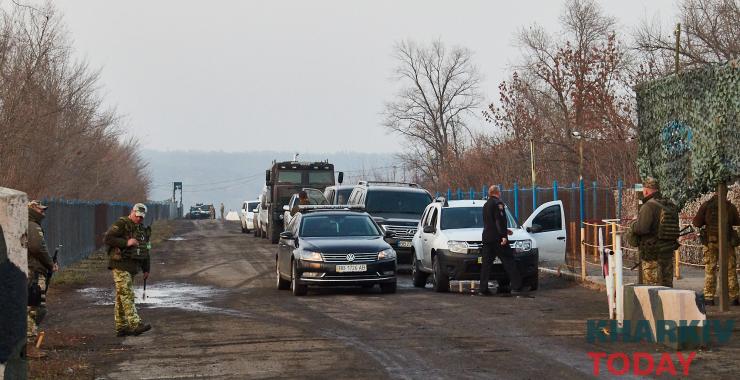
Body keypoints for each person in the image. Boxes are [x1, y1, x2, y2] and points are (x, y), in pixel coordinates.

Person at [105, 203, 152, 337]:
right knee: (127, 294)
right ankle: (135, 324)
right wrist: (126, 243)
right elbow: (108, 238)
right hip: (120, 265)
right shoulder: (122, 224)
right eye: (137, 216)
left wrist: (146, 268)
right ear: (132, 212)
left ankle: (122, 327)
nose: (139, 219)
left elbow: (146, 249)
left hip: (132, 267)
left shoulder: (142, 230)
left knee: (121, 297)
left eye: (141, 217)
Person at [629, 177, 680, 287]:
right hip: (667, 251)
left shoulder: (648, 206)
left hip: (652, 254)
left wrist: (633, 224)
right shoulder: (670, 205)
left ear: (646, 190)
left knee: (652, 289)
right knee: (667, 286)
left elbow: (642, 228)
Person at [692, 193, 740, 306]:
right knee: (731, 270)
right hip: (727, 242)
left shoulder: (706, 205)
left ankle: (709, 297)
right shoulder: (730, 206)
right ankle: (734, 297)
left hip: (710, 243)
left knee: (710, 269)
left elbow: (696, 223)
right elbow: (737, 221)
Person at [26, 200, 58, 358]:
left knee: (32, 306)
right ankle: (29, 344)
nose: (43, 213)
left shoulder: (27, 223)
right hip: (34, 271)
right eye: (41, 210)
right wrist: (50, 263)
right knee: (35, 307)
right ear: (32, 209)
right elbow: (38, 247)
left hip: (31, 270)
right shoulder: (32, 225)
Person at [479, 185, 522, 296]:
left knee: (486, 265)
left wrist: (505, 230)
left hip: (487, 238)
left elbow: (490, 222)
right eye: (500, 191)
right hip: (498, 239)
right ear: (497, 192)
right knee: (509, 261)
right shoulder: (498, 204)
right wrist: (503, 235)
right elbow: (499, 220)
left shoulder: (485, 204)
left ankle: (483, 289)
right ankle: (517, 287)